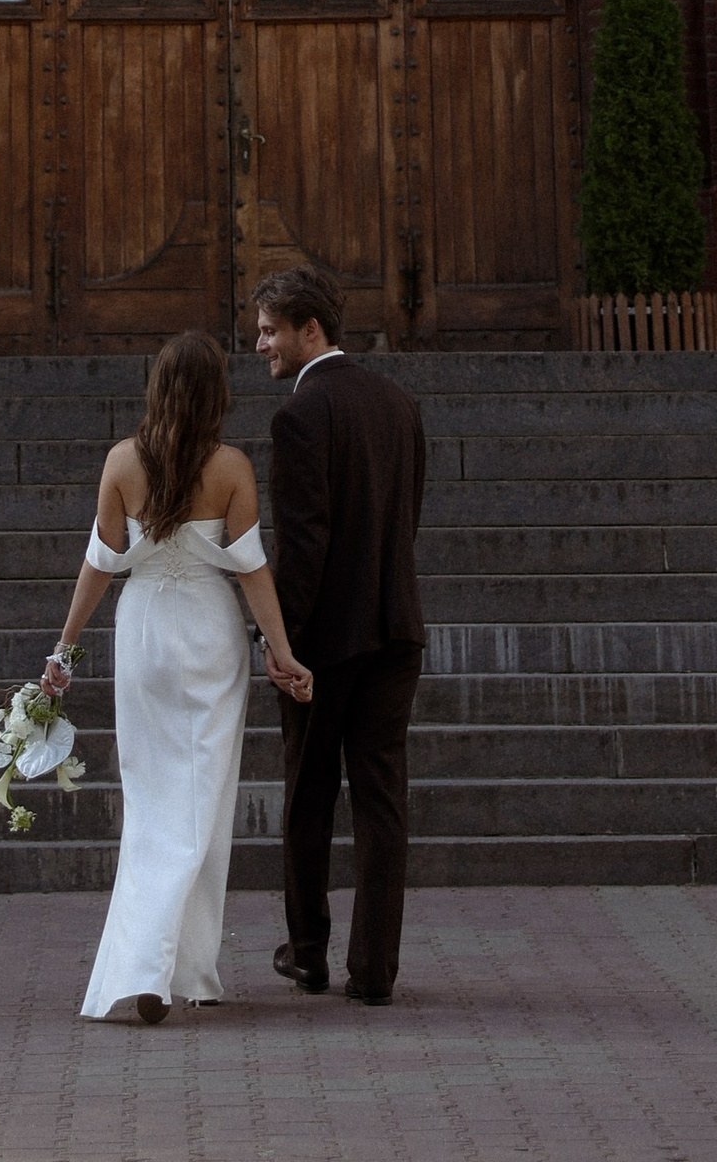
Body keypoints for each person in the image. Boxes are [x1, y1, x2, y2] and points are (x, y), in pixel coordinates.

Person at [42, 328, 313, 1024]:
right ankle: (172, 967)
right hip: (207, 639)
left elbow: (100, 564)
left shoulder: (122, 462)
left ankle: (168, 967)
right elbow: (251, 568)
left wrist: (64, 653)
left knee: (151, 800)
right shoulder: (230, 468)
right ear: (216, 395)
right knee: (202, 803)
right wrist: (281, 654)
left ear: (157, 390)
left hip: (143, 638)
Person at [252, 261, 427, 1006]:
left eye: (269, 331)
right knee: (383, 799)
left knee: (310, 795)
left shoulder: (299, 416)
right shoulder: (399, 403)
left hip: (324, 641)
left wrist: (280, 643)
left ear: (308, 328)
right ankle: (376, 970)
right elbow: (407, 516)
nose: (261, 344)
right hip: (395, 629)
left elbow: (303, 543)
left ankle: (311, 952)